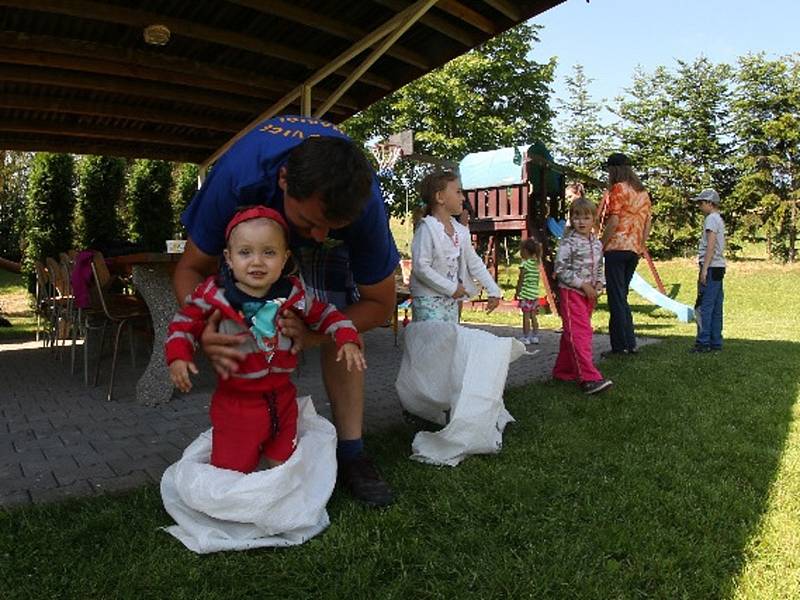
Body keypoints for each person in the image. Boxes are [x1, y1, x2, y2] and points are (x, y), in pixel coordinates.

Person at [173, 115, 399, 507]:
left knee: (344, 327)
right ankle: (244, 435)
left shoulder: (365, 201)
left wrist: (315, 335)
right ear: (282, 181)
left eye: (332, 227)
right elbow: (190, 269)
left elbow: (381, 304)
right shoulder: (238, 177)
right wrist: (215, 325)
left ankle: (353, 452)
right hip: (255, 232)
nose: (318, 237)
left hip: (316, 232)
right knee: (238, 315)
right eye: (309, 222)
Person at [166, 207, 366, 473]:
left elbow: (328, 314)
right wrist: (179, 356)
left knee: (283, 463)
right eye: (245, 252)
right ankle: (238, 506)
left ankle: (276, 502)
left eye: (269, 252)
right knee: (233, 468)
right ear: (228, 258)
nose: (257, 261)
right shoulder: (214, 295)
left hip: (282, 398)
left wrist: (347, 338)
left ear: (285, 259)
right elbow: (183, 322)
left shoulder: (293, 294)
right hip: (237, 404)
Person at [409, 171, 501, 322]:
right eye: (458, 192)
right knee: (433, 344)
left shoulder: (460, 231)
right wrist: (451, 288)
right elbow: (421, 267)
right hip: (428, 302)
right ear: (440, 197)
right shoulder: (427, 229)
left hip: (450, 301)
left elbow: (474, 262)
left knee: (449, 343)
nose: (463, 198)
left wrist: (493, 290)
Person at [552, 197, 613, 395]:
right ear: (572, 219)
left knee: (573, 332)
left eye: (586, 217)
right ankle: (589, 378)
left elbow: (600, 266)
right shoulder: (568, 243)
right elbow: (560, 269)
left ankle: (563, 370)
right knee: (581, 334)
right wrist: (583, 285)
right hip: (572, 293)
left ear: (594, 219)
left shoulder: (596, 243)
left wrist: (598, 284)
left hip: (589, 295)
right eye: (577, 217)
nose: (581, 221)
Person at [599, 153, 652, 356]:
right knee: (622, 297)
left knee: (616, 298)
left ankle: (620, 347)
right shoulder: (643, 193)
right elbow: (647, 224)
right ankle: (630, 343)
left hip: (616, 248)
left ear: (614, 170)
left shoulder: (618, 189)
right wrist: (640, 246)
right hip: (633, 250)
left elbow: (613, 222)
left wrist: (600, 244)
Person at [690, 189, 726, 353]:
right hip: (719, 267)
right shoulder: (718, 218)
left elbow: (710, 246)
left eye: (701, 203)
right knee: (716, 306)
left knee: (704, 306)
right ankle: (716, 342)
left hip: (711, 267)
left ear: (710, 203)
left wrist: (704, 270)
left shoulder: (711, 219)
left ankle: (703, 342)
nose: (699, 206)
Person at [514, 237, 542, 345]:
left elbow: (520, 280)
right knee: (533, 316)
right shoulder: (536, 264)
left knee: (526, 317)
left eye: (521, 250)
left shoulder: (524, 264)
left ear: (525, 251)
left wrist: (517, 292)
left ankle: (526, 337)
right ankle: (535, 336)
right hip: (534, 295)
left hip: (525, 295)